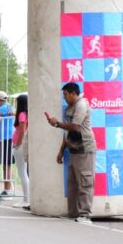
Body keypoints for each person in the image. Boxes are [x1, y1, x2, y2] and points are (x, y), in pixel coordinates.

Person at [45, 82, 96, 224]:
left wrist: (56, 123)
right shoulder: (69, 108)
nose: (64, 97)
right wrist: (61, 150)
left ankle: (85, 214)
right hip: (73, 149)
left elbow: (75, 126)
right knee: (72, 183)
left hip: (84, 149)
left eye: (66, 94)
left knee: (85, 182)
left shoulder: (81, 105)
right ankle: (73, 213)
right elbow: (67, 132)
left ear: (73, 93)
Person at [11, 94, 30, 210]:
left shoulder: (22, 115)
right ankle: (26, 198)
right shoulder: (26, 114)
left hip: (20, 145)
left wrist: (17, 144)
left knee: (22, 172)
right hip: (21, 144)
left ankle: (26, 199)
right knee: (23, 172)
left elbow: (22, 131)